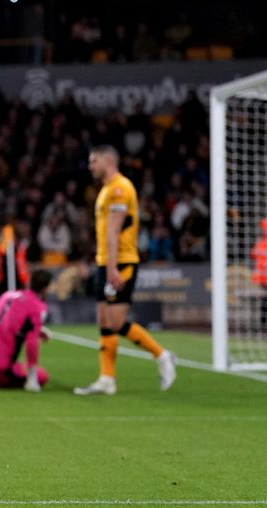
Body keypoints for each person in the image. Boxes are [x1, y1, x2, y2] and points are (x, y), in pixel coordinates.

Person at [74, 145, 176, 396]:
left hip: (120, 262)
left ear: (108, 160)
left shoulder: (120, 188)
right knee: (104, 321)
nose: (90, 166)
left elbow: (113, 232)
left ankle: (162, 355)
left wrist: (111, 268)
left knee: (116, 321)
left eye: (93, 160)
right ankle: (107, 379)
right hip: (104, 261)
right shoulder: (107, 190)